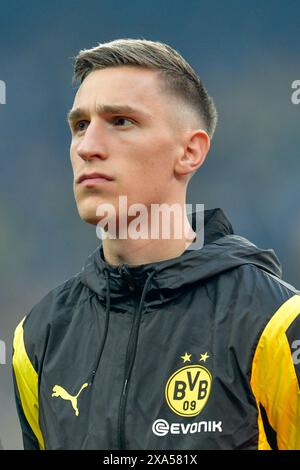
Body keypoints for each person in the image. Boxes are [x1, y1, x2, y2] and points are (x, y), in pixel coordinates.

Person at [12, 38, 300, 450]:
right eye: (79, 125)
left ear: (189, 151)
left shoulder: (276, 326)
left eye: (121, 121)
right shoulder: (38, 337)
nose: (88, 147)